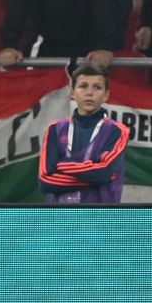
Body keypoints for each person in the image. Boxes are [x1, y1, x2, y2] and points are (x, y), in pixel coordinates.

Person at [38, 63, 129, 203]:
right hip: (58, 218)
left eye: (97, 87)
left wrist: (61, 165)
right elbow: (45, 181)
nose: (89, 93)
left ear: (106, 95)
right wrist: (94, 175)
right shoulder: (55, 129)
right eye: (83, 86)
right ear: (72, 93)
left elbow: (104, 173)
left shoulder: (116, 130)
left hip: (100, 218)